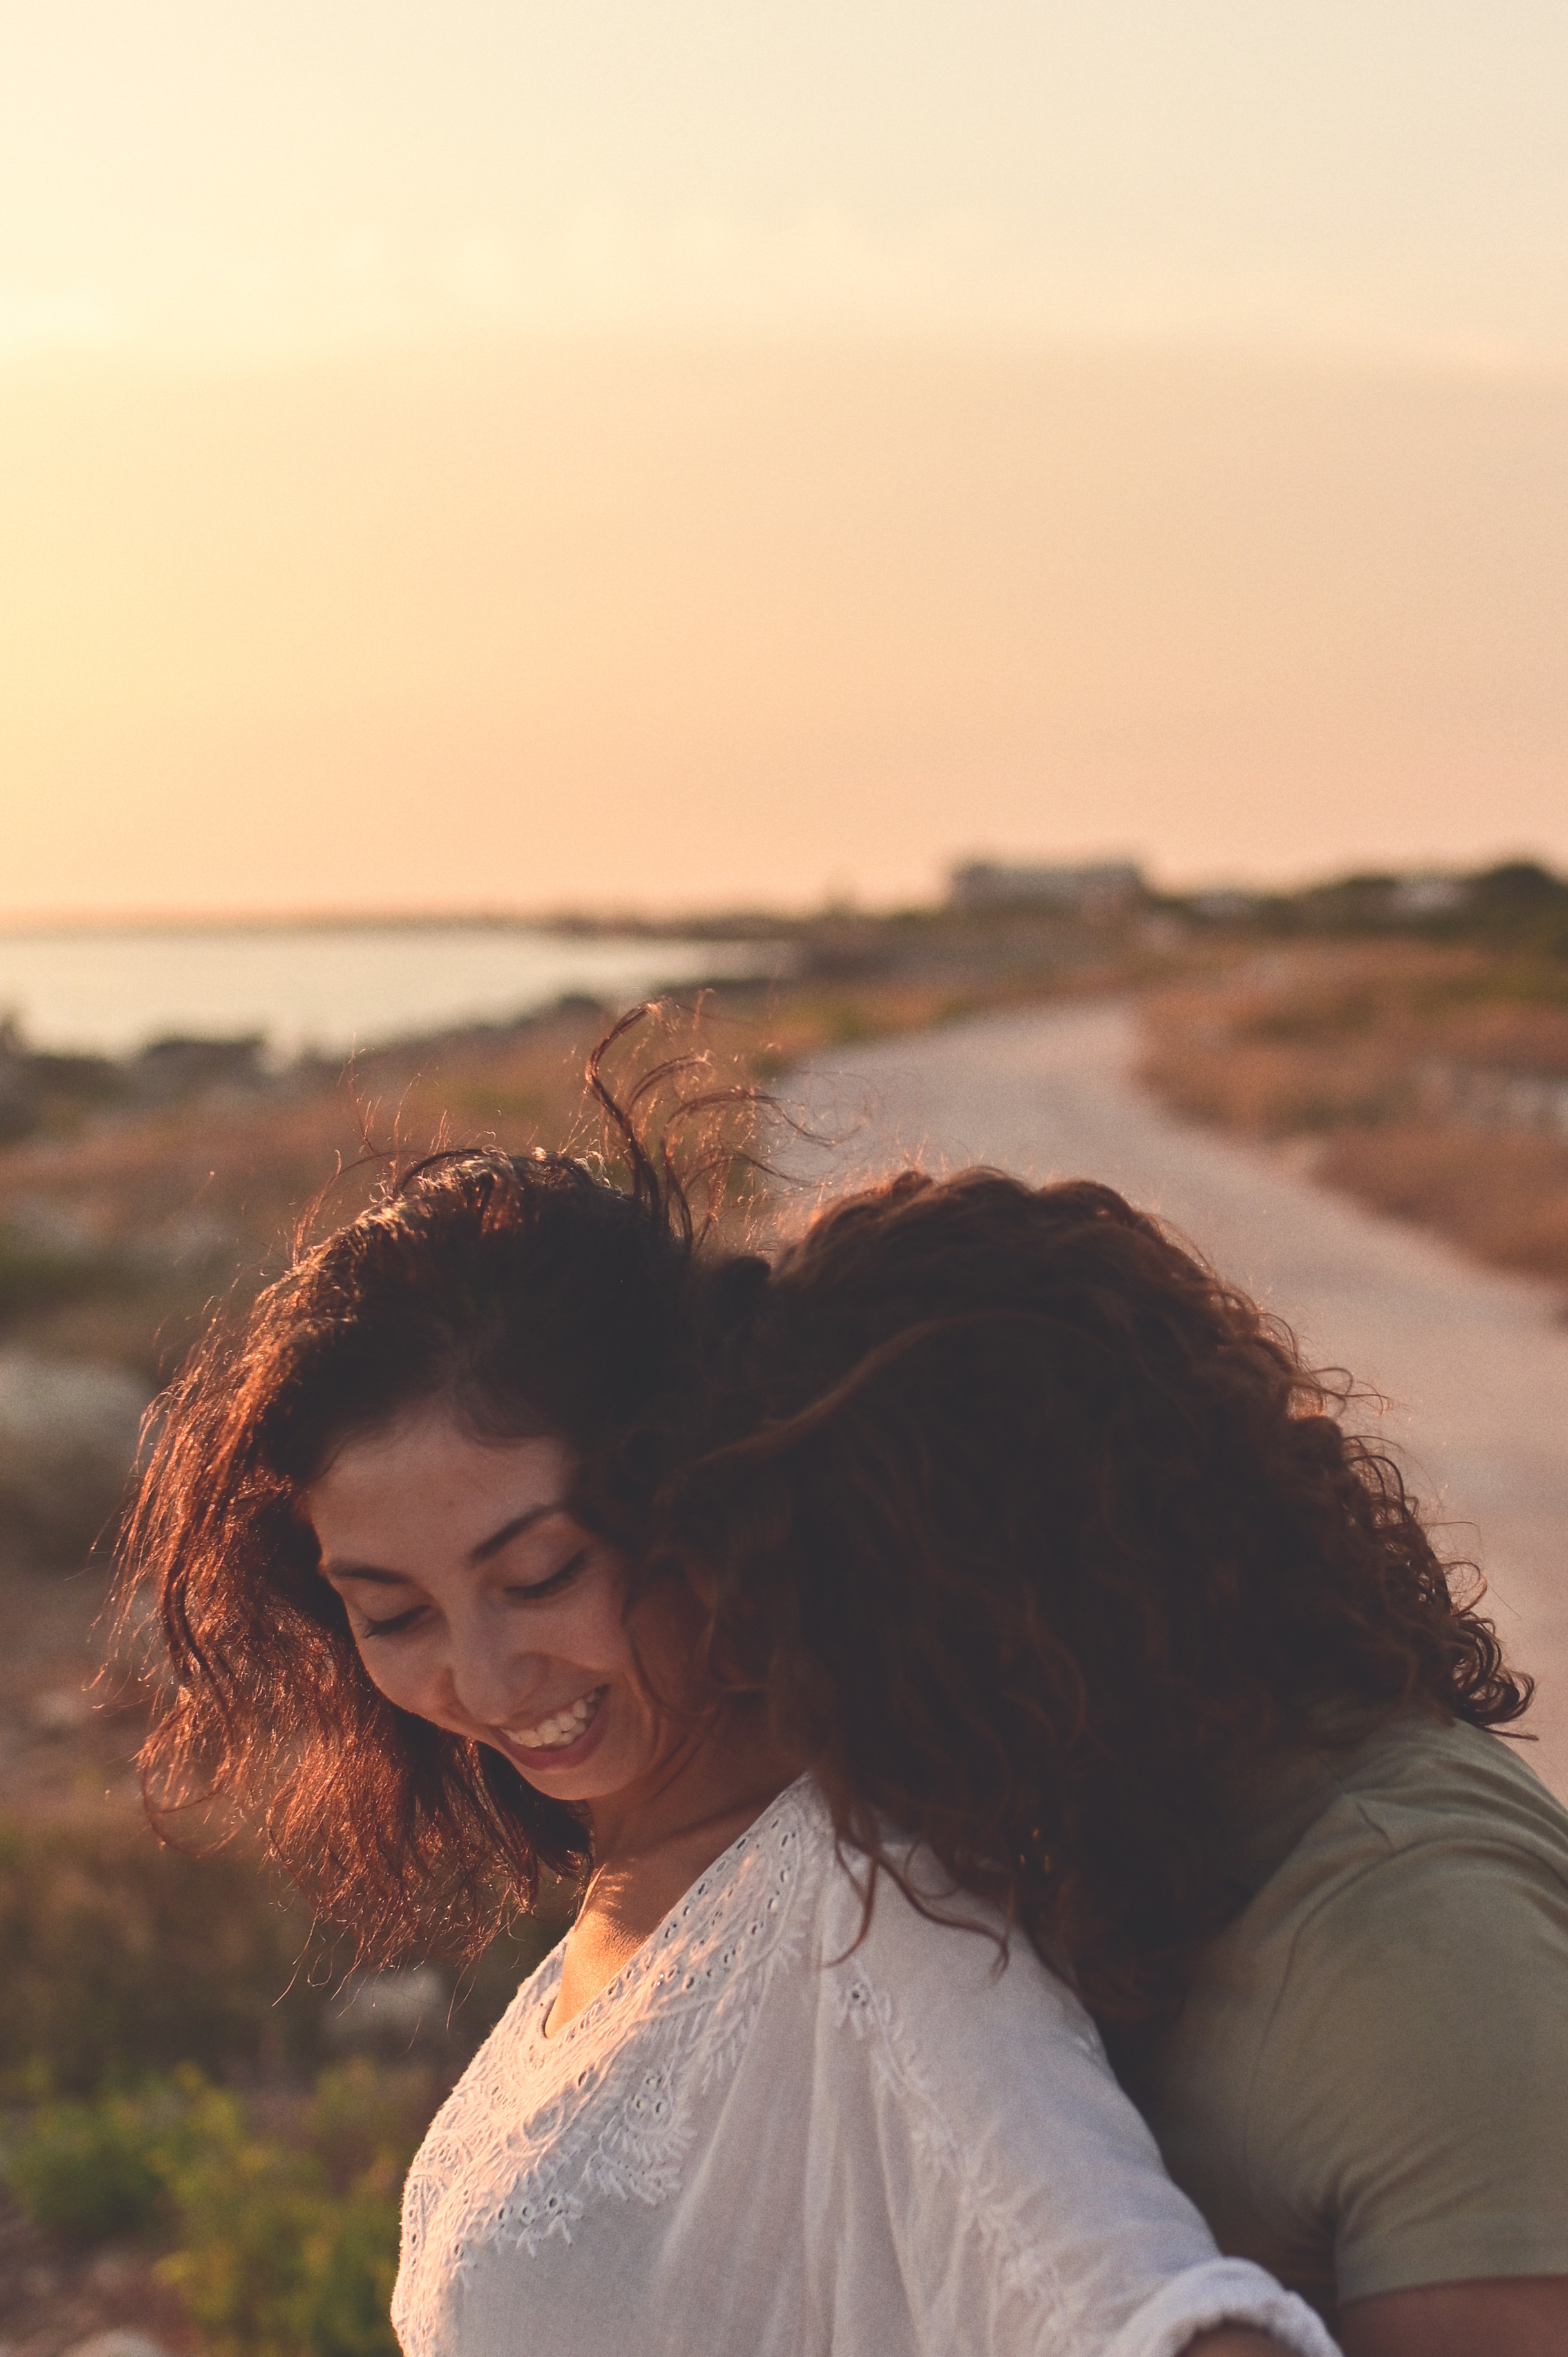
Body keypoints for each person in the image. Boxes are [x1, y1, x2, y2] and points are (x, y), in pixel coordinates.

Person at [121, 1139, 1332, 2357]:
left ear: (685, 1492)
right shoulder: (648, 1897)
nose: (484, 1680)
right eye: (392, 1613)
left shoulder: (868, 1918)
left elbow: (1152, 2315)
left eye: (542, 1575)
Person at [658, 1163, 1568, 2357]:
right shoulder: (1087, 1816)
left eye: (847, 1632)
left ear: (1021, 1614)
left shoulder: (1413, 1953)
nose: (803, 1704)